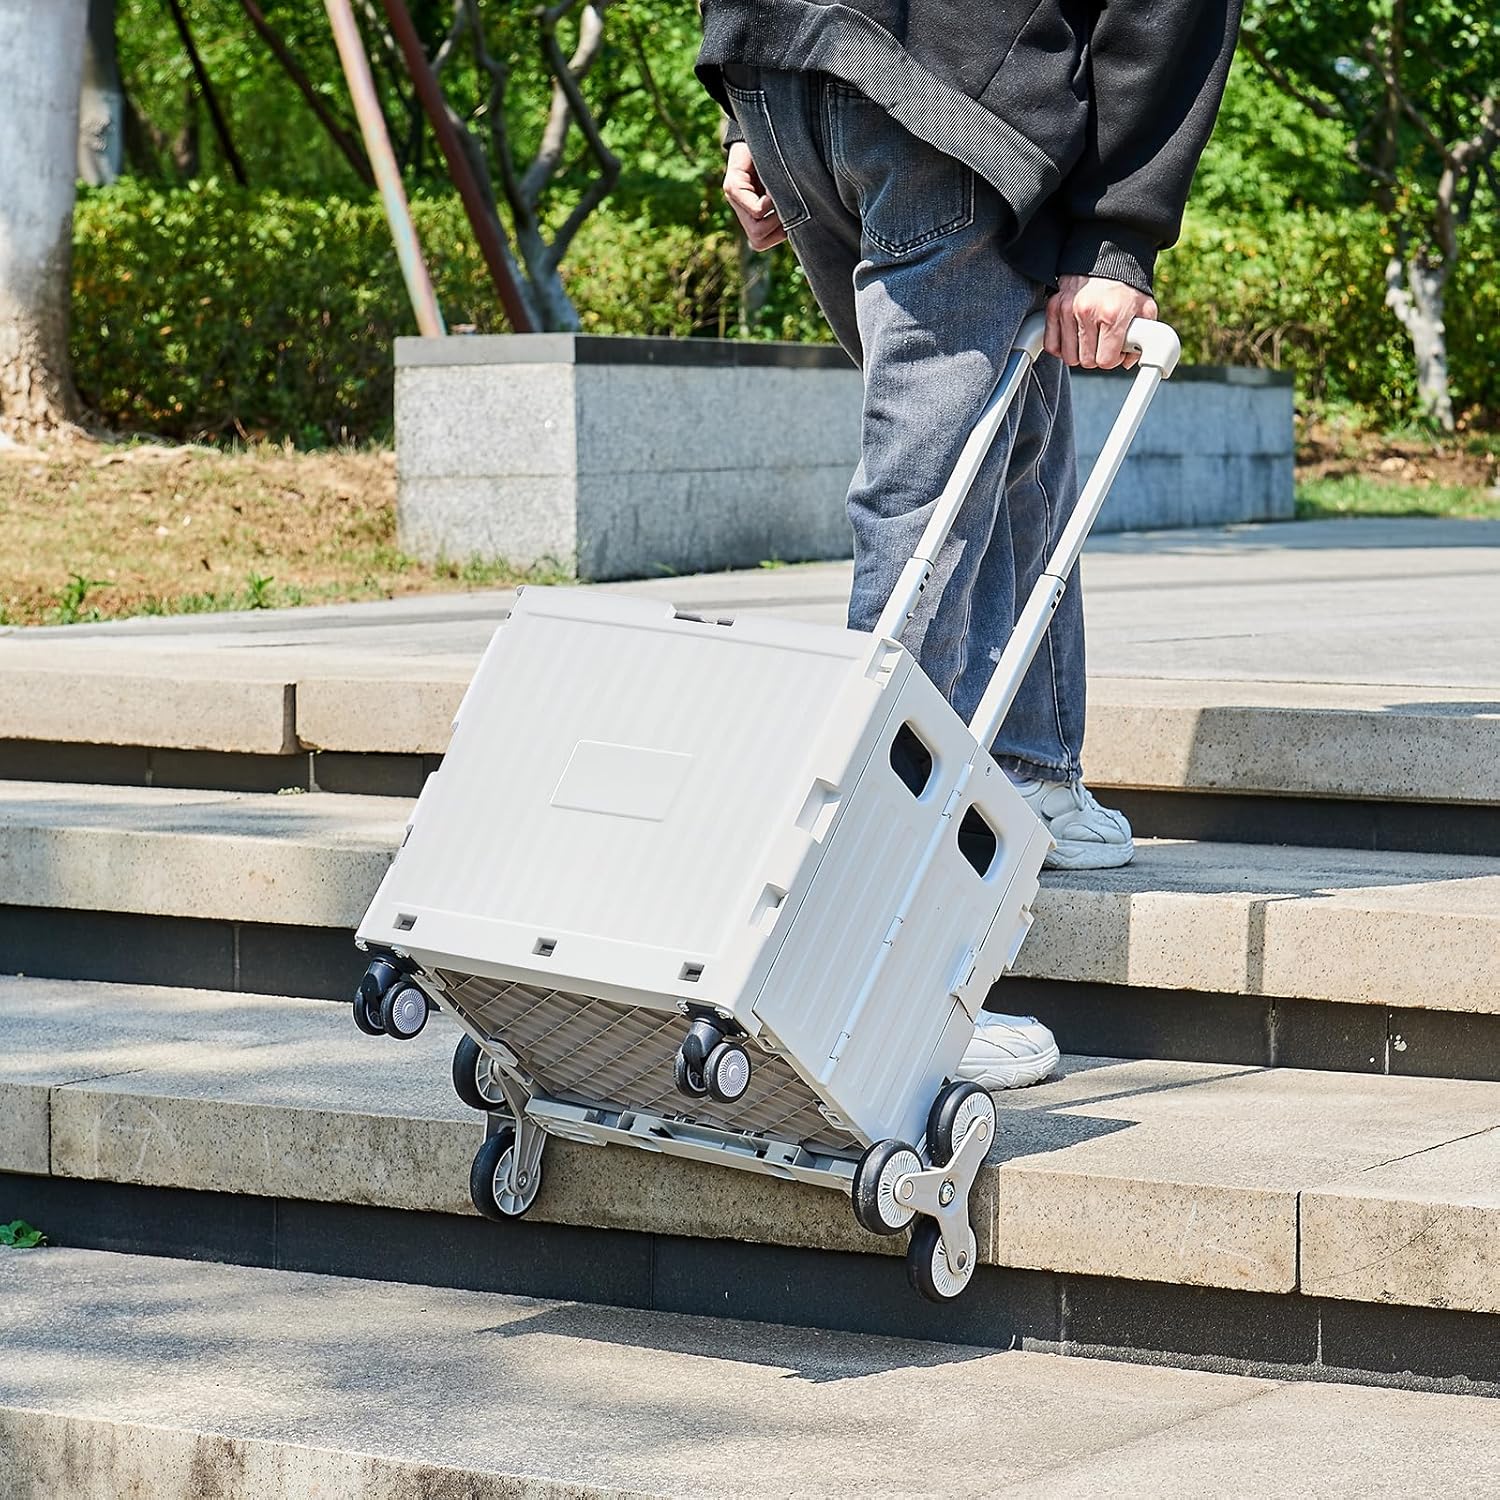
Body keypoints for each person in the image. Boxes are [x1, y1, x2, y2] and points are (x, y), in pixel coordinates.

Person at [696, 1, 1240, 1089]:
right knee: (928, 501)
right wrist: (1117, 232)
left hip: (794, 60)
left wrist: (748, 89)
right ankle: (868, 971)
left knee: (1012, 419)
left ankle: (1028, 772)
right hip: (942, 87)